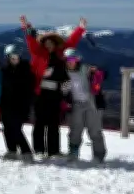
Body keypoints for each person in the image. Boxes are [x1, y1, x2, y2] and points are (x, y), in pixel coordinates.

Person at [21, 15, 86, 158]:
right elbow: (31, 42)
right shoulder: (37, 54)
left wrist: (80, 29)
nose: (48, 44)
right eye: (46, 42)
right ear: (43, 43)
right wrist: (26, 28)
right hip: (40, 94)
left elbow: (71, 44)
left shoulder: (61, 54)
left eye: (51, 42)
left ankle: (53, 151)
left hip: (55, 95)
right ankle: (38, 150)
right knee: (39, 123)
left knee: (53, 123)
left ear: (55, 43)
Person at [64, 49, 107, 163]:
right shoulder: (64, 73)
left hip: (92, 103)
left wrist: (97, 73)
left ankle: (98, 155)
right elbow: (62, 90)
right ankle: (73, 153)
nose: (70, 62)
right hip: (76, 104)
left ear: (78, 60)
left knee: (94, 130)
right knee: (75, 130)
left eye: (73, 59)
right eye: (68, 59)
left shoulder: (86, 69)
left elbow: (103, 74)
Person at [0, 44, 35, 161]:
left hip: (20, 105)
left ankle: (26, 150)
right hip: (5, 104)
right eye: (12, 57)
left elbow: (30, 90)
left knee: (15, 128)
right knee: (7, 128)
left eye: (16, 56)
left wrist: (27, 106)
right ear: (8, 57)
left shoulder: (26, 70)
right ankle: (12, 150)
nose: (14, 59)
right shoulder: (4, 70)